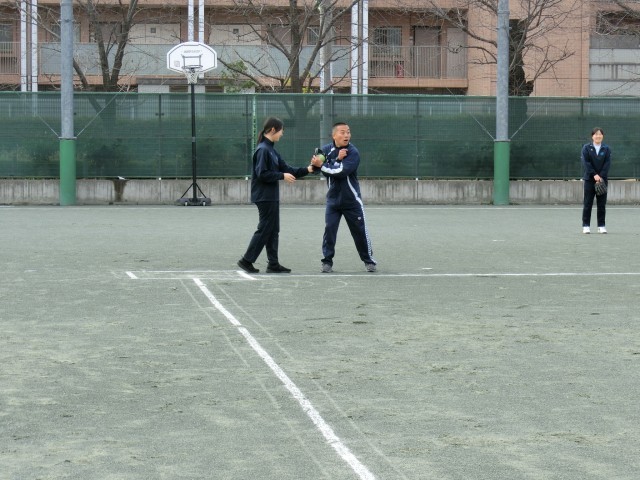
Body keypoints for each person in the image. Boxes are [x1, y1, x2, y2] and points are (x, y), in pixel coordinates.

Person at [238, 117, 324, 273]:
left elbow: (288, 169)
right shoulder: (263, 150)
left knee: (273, 230)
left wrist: (310, 168)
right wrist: (281, 176)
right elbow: (262, 173)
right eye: (281, 131)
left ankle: (273, 264)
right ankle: (246, 260)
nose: (282, 134)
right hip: (264, 196)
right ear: (273, 130)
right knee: (265, 229)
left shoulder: (271, 150)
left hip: (270, 196)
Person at [314, 122, 377, 273]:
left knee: (360, 232)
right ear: (334, 135)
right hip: (333, 201)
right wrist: (323, 163)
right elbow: (317, 169)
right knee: (329, 230)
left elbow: (340, 172)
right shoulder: (326, 150)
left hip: (352, 202)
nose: (346, 135)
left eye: (348, 132)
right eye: (342, 132)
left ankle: (369, 261)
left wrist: (324, 165)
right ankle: (327, 262)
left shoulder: (353, 152)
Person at [581, 127, 611, 234]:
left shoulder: (606, 148)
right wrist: (594, 175)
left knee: (601, 204)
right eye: (596, 134)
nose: (598, 136)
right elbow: (586, 163)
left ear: (603, 136)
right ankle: (586, 226)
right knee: (587, 203)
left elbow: (607, 164)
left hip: (602, 180)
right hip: (589, 179)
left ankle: (601, 226)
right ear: (592, 136)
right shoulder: (586, 148)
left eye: (600, 134)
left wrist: (600, 176)